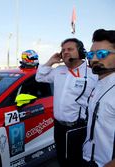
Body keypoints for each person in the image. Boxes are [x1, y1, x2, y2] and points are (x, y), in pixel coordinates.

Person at [35, 38, 98, 167]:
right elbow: (39, 77)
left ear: (80, 51)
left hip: (79, 128)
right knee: (61, 159)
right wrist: (51, 61)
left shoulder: (92, 73)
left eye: (70, 49)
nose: (65, 52)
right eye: (63, 50)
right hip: (59, 127)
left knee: (76, 161)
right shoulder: (59, 71)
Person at [82, 29, 115, 167]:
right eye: (90, 54)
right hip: (88, 158)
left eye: (102, 54)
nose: (94, 59)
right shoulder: (98, 83)